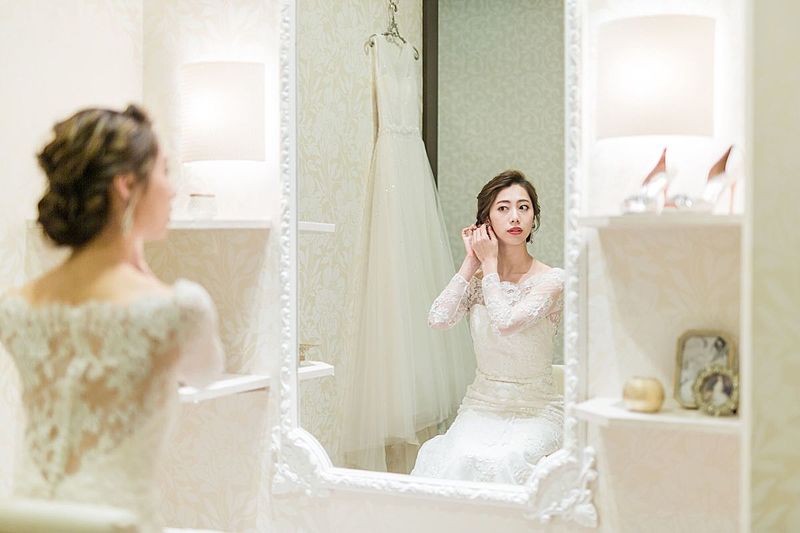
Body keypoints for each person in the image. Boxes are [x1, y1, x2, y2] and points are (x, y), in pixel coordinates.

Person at [0, 105, 224, 532]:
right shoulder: (175, 309)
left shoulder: (16, 308)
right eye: (164, 172)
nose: (172, 190)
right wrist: (145, 274)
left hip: (27, 522)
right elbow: (205, 373)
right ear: (126, 185)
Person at [411, 170, 564, 484]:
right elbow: (438, 318)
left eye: (523, 207)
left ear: (534, 218)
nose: (515, 216)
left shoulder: (551, 280)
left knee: (509, 461)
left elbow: (505, 322)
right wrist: (471, 262)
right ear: (486, 221)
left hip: (536, 409)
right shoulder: (478, 280)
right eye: (503, 208)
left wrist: (490, 265)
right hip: (481, 405)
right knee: (456, 458)